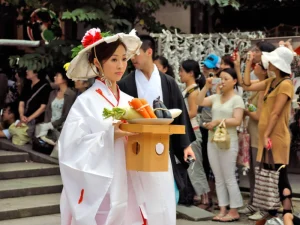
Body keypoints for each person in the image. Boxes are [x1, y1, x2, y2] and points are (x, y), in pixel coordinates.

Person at [58, 28, 146, 225]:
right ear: (97, 63)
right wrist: (108, 135)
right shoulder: (85, 102)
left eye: (124, 59)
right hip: (99, 184)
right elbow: (70, 148)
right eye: (114, 60)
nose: (121, 65)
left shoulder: (130, 101)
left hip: (129, 178)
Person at [118, 34, 195, 224]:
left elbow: (181, 114)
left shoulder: (168, 82)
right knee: (136, 195)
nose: (132, 58)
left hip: (162, 146)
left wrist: (185, 145)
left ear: (149, 51)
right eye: (130, 54)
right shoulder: (125, 83)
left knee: (163, 193)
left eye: (136, 53)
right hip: (135, 147)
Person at [239, 46, 294, 225]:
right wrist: (248, 63)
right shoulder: (271, 81)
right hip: (268, 136)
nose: (268, 62)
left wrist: (266, 135)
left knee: (279, 176)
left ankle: (287, 213)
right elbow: (246, 85)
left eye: (272, 61)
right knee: (270, 177)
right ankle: (276, 213)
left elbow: (276, 113)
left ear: (278, 65)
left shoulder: (286, 84)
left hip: (275, 137)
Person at [195, 68, 245, 222]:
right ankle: (223, 208)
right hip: (213, 140)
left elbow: (237, 120)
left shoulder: (237, 99)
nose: (222, 81)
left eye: (226, 79)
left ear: (234, 81)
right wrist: (206, 87)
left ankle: (234, 210)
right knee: (218, 177)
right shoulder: (216, 97)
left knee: (229, 176)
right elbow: (198, 102)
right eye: (221, 78)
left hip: (228, 141)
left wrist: (217, 122)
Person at [234, 44, 276, 221]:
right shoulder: (260, 84)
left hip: (261, 135)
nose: (255, 66)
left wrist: (246, 109)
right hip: (253, 134)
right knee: (252, 172)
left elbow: (258, 115)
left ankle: (264, 207)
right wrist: (239, 66)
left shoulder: (267, 86)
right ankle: (253, 202)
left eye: (258, 65)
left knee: (262, 173)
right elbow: (245, 84)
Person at [179, 59, 210, 209]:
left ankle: (205, 198)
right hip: (189, 130)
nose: (179, 74)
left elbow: (192, 112)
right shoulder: (189, 89)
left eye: (181, 71)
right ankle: (201, 195)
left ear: (190, 73)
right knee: (192, 165)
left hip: (193, 131)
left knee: (195, 166)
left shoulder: (193, 91)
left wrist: (178, 117)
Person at [18, 69, 51, 137]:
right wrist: (21, 115)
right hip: (24, 118)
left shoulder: (45, 87)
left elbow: (43, 108)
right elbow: (21, 102)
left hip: (36, 121)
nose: (26, 71)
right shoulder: (27, 84)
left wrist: (28, 119)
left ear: (36, 73)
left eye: (29, 69)